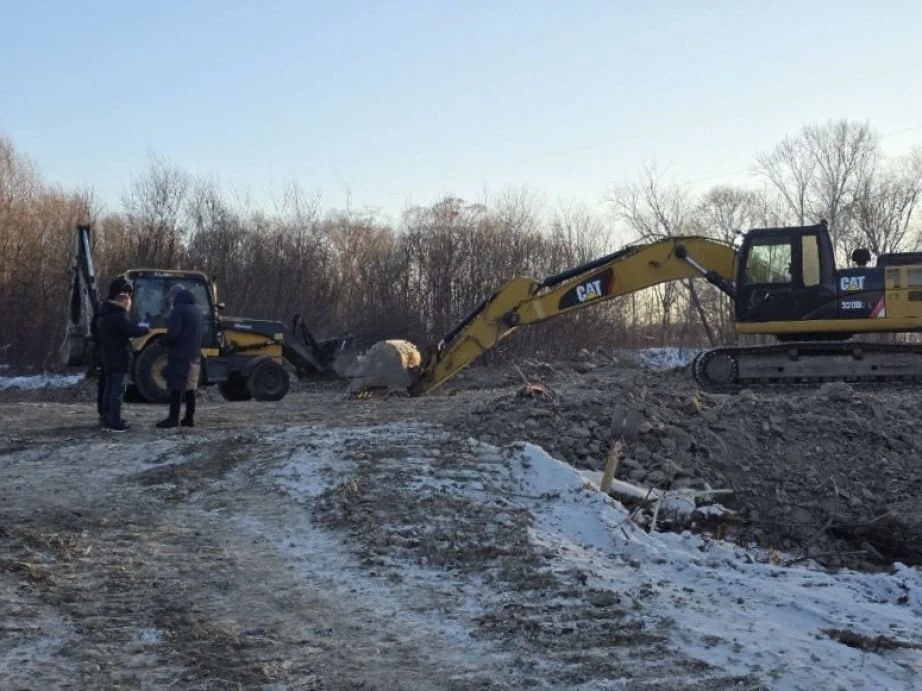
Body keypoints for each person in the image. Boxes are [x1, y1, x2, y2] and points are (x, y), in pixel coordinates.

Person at [96, 291, 149, 432]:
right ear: (124, 302)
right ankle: (115, 421)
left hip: (107, 357)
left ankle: (106, 418)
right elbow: (131, 331)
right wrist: (144, 329)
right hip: (120, 358)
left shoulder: (104, 316)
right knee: (117, 391)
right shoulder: (119, 316)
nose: (129, 309)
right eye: (129, 305)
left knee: (109, 389)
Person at [157, 284, 203, 428]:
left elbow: (174, 333)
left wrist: (162, 341)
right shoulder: (197, 310)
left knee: (176, 386)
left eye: (171, 298)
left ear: (175, 296)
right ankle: (189, 417)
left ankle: (173, 418)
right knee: (190, 387)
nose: (171, 301)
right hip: (194, 354)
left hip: (180, 355)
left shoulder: (178, 309)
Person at [93, 277, 135, 425]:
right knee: (114, 388)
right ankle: (112, 418)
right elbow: (128, 330)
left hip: (106, 354)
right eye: (126, 294)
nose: (128, 298)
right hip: (115, 354)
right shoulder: (117, 314)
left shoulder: (104, 311)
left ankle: (106, 415)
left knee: (107, 386)